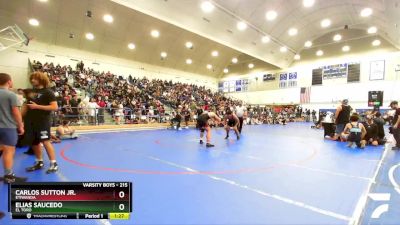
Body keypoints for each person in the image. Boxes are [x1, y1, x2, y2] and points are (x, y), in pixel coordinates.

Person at [23, 72, 59, 173]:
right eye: (32, 78)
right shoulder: (31, 91)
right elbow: (26, 105)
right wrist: (19, 119)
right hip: (30, 121)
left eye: (35, 78)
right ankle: (39, 162)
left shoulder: (48, 92)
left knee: (45, 141)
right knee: (34, 142)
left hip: (43, 121)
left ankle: (53, 164)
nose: (32, 80)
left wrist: (37, 106)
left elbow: (54, 107)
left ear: (41, 79)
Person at [0, 73, 27, 183]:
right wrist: (20, 126)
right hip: (8, 127)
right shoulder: (11, 95)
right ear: (9, 82)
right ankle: (9, 176)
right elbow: (16, 112)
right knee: (9, 150)